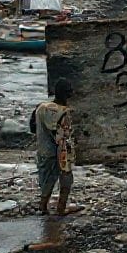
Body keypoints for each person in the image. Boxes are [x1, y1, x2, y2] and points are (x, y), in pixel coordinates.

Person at [34, 79, 78, 215]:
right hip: (63, 152)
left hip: (44, 150)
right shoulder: (66, 113)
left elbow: (32, 127)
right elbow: (64, 135)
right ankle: (61, 207)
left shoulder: (41, 108)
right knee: (66, 179)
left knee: (47, 179)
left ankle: (43, 206)